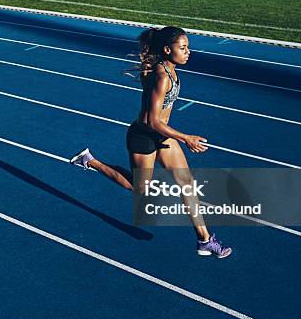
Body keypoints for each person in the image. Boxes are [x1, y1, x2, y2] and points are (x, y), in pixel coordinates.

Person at [70, 26, 232, 258]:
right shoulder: (162, 76)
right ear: (167, 50)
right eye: (183, 48)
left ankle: (205, 239)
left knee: (186, 183)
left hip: (162, 136)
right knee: (140, 189)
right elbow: (153, 121)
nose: (188, 52)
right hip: (144, 137)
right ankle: (90, 161)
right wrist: (186, 138)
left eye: (188, 47)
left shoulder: (169, 68)